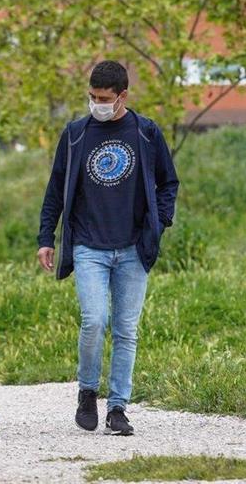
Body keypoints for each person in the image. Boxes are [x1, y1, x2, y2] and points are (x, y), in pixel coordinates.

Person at [36, 60, 179, 436]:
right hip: (89, 246)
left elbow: (169, 183)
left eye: (104, 98)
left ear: (123, 97)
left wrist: (159, 224)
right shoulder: (76, 134)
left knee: (127, 330)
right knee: (94, 320)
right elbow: (55, 190)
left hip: (134, 247)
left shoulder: (146, 133)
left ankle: (117, 408)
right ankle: (87, 391)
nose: (97, 103)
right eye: (92, 97)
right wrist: (45, 238)